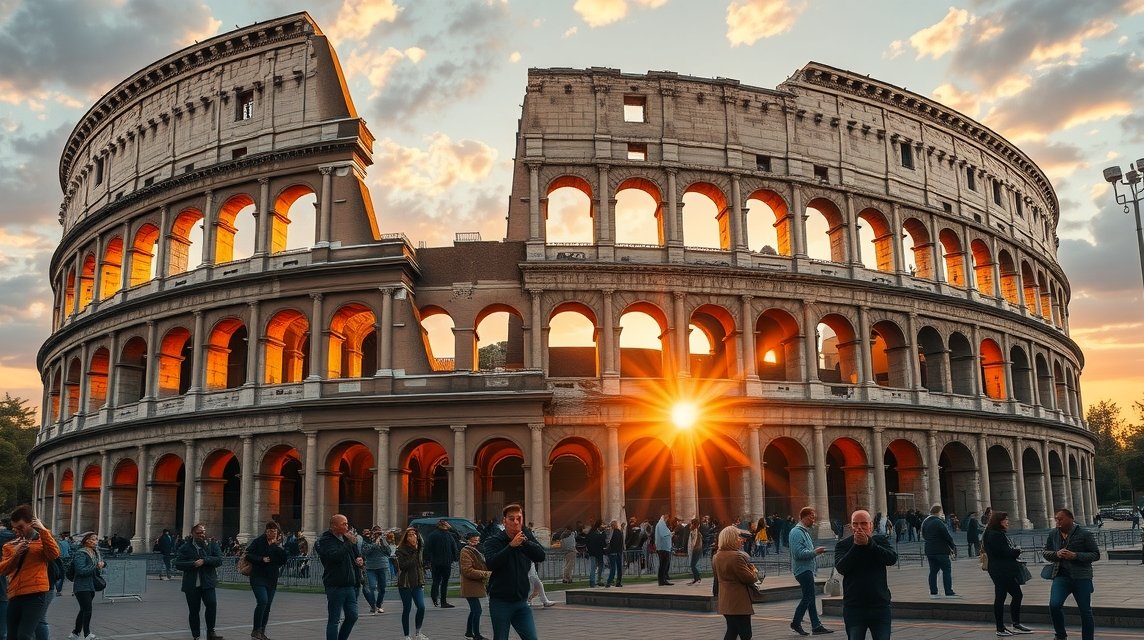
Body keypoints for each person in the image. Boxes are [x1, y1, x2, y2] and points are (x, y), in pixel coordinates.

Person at [482, 503, 545, 640]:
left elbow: (541, 556)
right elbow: (491, 564)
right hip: (500, 602)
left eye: (519, 518)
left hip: (521, 602)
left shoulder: (525, 538)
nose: (516, 522)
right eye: (511, 519)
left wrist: (525, 543)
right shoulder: (494, 540)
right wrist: (511, 546)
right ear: (504, 521)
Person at [834, 509, 897, 640]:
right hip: (854, 607)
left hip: (880, 606)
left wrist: (869, 544)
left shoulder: (879, 540)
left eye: (863, 523)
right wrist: (856, 546)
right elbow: (841, 567)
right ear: (851, 526)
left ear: (871, 525)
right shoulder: (843, 545)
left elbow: (891, 558)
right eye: (855, 524)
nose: (859, 527)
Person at [1042, 508, 1098, 640]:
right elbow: (1045, 552)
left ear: (1071, 519)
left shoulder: (1085, 534)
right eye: (1056, 519)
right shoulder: (1053, 534)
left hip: (1082, 577)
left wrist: (1076, 555)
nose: (1057, 521)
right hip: (1061, 576)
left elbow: (1096, 554)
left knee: (1085, 611)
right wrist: (1056, 554)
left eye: (1060, 519)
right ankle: (1060, 635)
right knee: (1054, 605)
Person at [982, 511, 1032, 637]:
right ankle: (1001, 628)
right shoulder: (996, 535)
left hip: (1000, 570)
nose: (1007, 522)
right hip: (1001, 571)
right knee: (1001, 597)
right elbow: (1004, 552)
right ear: (998, 521)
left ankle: (1015, 624)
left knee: (1016, 595)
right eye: (1005, 520)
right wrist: (1016, 551)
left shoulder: (991, 533)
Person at [316, 514, 364, 640]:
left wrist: (360, 560)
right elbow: (334, 557)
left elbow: (356, 555)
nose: (347, 526)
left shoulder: (347, 538)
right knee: (334, 619)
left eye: (347, 523)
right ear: (333, 526)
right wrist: (348, 543)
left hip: (350, 584)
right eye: (344, 524)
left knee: (353, 615)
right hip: (336, 585)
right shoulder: (326, 540)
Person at [174, 523, 224, 640]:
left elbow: (219, 560)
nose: (202, 535)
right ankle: (196, 635)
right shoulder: (185, 547)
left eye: (203, 532)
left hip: (207, 582)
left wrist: (205, 560)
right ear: (192, 534)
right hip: (191, 585)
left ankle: (211, 632)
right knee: (194, 610)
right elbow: (177, 563)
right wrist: (193, 564)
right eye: (199, 533)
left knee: (212, 605)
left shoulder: (211, 544)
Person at [789, 506, 832, 636]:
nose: (814, 520)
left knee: (811, 598)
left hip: (807, 569)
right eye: (812, 517)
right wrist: (815, 552)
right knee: (808, 597)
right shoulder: (796, 532)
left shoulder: (804, 531)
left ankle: (816, 626)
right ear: (806, 517)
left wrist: (815, 553)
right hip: (803, 570)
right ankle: (796, 622)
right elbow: (798, 554)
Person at [712, 525, 758, 640]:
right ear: (731, 539)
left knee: (732, 631)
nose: (741, 540)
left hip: (725, 601)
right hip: (738, 601)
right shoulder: (736, 557)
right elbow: (749, 578)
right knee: (746, 634)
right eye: (738, 538)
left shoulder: (716, 556)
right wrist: (753, 570)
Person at [245, 521, 288, 640]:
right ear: (266, 531)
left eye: (274, 531)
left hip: (272, 578)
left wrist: (276, 547)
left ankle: (262, 632)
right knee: (262, 601)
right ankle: (256, 630)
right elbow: (248, 555)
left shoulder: (279, 543)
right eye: (269, 531)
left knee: (267, 606)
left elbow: (284, 559)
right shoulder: (259, 541)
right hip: (258, 577)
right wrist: (261, 559)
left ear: (277, 532)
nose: (271, 533)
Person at [67, 532, 103, 640]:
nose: (96, 541)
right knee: (87, 609)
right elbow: (81, 571)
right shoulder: (80, 553)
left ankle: (75, 633)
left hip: (90, 585)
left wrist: (102, 565)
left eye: (96, 539)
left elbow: (95, 570)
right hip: (81, 586)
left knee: (83, 609)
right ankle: (87, 634)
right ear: (87, 540)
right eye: (93, 539)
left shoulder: (94, 552)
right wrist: (95, 565)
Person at [395, 527, 428, 640]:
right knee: (407, 608)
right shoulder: (400, 550)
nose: (413, 536)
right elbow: (404, 566)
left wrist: (417, 543)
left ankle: (418, 633)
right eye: (410, 535)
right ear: (405, 537)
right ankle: (406, 635)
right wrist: (414, 551)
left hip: (417, 582)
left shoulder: (419, 548)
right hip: (406, 583)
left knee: (421, 607)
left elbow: (422, 546)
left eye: (414, 534)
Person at [921, 504, 960, 599]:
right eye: (941, 512)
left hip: (929, 550)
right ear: (939, 512)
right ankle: (948, 591)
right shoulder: (938, 522)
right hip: (941, 550)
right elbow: (947, 536)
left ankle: (933, 591)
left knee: (933, 571)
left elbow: (923, 535)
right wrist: (952, 546)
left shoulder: (925, 522)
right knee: (946, 570)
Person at [459, 531, 491, 640]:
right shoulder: (465, 551)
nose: (476, 542)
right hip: (470, 585)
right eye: (474, 540)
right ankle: (477, 635)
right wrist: (486, 574)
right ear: (469, 540)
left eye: (477, 540)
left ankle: (469, 633)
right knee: (477, 610)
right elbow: (467, 570)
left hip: (475, 584)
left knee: (474, 610)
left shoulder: (475, 550)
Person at [425, 519, 458, 608]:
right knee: (444, 582)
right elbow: (454, 546)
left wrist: (428, 560)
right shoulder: (448, 535)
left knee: (436, 581)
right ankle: (443, 601)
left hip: (437, 562)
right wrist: (454, 558)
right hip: (445, 561)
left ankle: (434, 598)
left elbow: (427, 549)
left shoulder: (432, 535)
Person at [361, 525, 391, 615]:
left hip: (383, 566)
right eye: (375, 532)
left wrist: (383, 541)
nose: (377, 534)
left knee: (382, 588)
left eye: (379, 532)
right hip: (371, 567)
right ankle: (373, 606)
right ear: (372, 532)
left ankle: (379, 605)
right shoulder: (367, 540)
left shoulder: (383, 541)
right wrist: (374, 543)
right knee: (372, 587)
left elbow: (389, 552)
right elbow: (364, 552)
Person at [584, 520, 605, 588]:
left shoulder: (591, 533)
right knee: (599, 566)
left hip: (593, 553)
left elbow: (587, 542)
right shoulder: (597, 534)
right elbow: (602, 542)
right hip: (598, 552)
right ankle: (597, 580)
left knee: (594, 567)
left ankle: (593, 581)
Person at [654, 514, 673, 586]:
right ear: (666, 517)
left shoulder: (661, 524)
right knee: (663, 565)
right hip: (663, 548)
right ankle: (662, 580)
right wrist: (670, 533)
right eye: (667, 519)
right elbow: (663, 534)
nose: (667, 520)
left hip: (662, 548)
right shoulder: (661, 524)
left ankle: (663, 580)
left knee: (663, 565)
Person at [605, 520, 624, 588]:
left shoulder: (613, 532)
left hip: (613, 552)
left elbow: (611, 543)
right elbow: (620, 542)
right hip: (618, 552)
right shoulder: (618, 532)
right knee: (619, 568)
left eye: (611, 525)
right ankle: (618, 582)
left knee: (613, 568)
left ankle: (609, 582)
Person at [688, 518, 704, 583]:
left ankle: (697, 578)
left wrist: (692, 548)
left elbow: (695, 542)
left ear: (693, 524)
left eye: (691, 523)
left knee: (692, 565)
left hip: (696, 550)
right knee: (693, 565)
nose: (690, 525)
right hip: (696, 549)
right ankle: (696, 578)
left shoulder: (696, 531)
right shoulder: (694, 531)